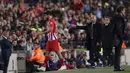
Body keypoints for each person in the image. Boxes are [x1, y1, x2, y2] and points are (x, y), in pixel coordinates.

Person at [111, 5, 126, 71]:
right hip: (117, 37)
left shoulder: (115, 16)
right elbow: (118, 27)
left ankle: (116, 66)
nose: (125, 11)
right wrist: (121, 36)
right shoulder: (119, 17)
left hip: (114, 36)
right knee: (118, 52)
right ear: (121, 10)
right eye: (124, 10)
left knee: (117, 52)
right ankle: (117, 67)